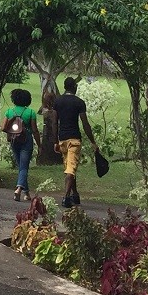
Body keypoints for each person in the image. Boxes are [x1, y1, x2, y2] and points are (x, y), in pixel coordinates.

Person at [53, 76, 99, 209]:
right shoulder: (79, 102)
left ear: (65, 87)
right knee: (70, 170)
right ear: (75, 87)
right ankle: (66, 197)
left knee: (69, 168)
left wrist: (55, 141)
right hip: (74, 139)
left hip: (62, 139)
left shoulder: (58, 101)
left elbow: (55, 122)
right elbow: (85, 123)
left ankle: (75, 194)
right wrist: (93, 141)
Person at [3, 87, 39, 202]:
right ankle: (18, 189)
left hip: (14, 140)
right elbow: (34, 130)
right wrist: (40, 144)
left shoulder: (9, 112)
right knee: (24, 167)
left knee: (21, 167)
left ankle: (27, 193)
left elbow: (4, 127)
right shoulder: (31, 112)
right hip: (26, 140)